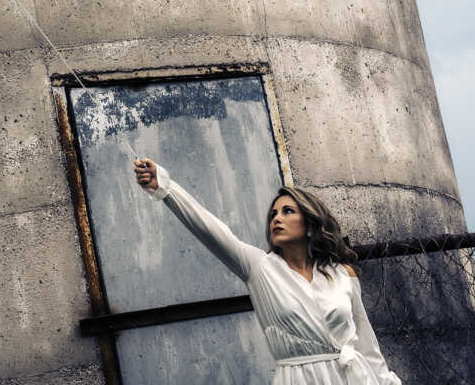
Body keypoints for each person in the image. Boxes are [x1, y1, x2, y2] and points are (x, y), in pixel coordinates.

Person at [133, 158, 402, 385]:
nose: (277, 218)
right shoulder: (259, 268)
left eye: (287, 211)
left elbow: (366, 343)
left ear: (310, 224)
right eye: (273, 214)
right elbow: (210, 229)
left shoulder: (342, 274)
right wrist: (166, 188)